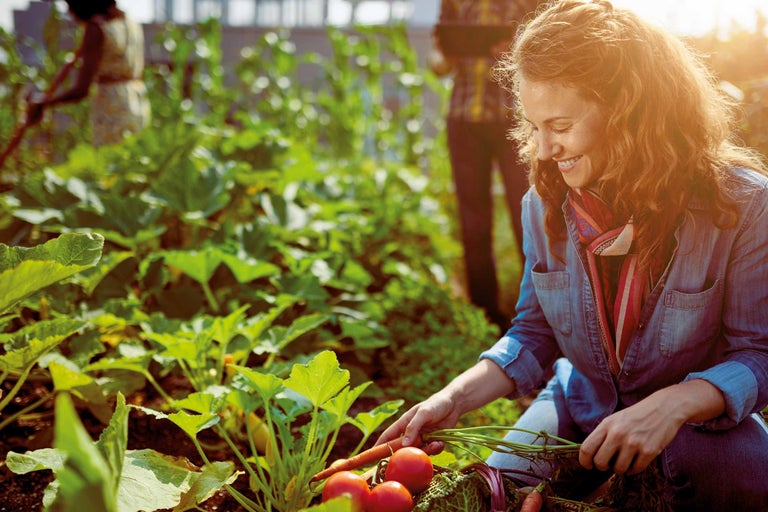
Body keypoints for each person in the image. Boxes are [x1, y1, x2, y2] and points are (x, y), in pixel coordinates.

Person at [378, 1, 768, 509]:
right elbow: (533, 334)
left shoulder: (742, 206)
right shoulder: (544, 203)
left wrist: (673, 405)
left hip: (697, 421)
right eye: (534, 126)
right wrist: (454, 397)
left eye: (559, 126)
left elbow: (758, 355)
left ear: (630, 112)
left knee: (749, 483)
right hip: (580, 405)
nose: (542, 150)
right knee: (498, 495)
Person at [429, 0, 543, 332]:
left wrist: (515, 50)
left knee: (528, 215)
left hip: (515, 121)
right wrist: (448, 56)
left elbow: (549, 48)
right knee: (473, 221)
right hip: (464, 120)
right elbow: (436, 62)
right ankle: (486, 314)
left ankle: (537, 313)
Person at [26, 0, 150, 147]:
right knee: (131, 159)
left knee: (109, 161)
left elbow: (82, 89)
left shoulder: (96, 29)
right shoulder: (130, 23)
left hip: (112, 107)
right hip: (137, 101)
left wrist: (44, 104)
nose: (70, 13)